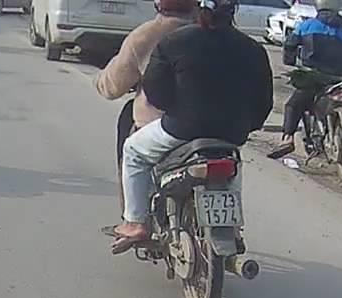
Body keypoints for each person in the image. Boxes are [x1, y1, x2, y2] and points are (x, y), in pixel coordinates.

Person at [108, 0, 273, 253]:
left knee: (133, 151)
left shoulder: (174, 41)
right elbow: (264, 101)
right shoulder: (254, 49)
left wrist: (178, 112)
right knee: (232, 163)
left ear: (199, 8)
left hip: (182, 128)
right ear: (233, 12)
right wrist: (245, 126)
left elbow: (155, 91)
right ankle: (232, 229)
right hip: (232, 132)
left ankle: (135, 222)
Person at [94, 0, 196, 210]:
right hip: (217, 125)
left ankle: (133, 216)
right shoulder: (211, 32)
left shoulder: (147, 35)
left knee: (130, 140)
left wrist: (99, 79)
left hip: (164, 126)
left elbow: (113, 86)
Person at [267, 0, 342, 159]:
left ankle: (287, 138)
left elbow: (290, 44)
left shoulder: (308, 26)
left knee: (293, 105)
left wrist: (290, 61)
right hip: (341, 80)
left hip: (314, 78)